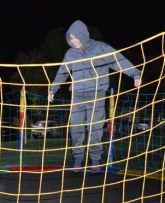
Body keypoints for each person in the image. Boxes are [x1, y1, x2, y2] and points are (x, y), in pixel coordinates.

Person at [48, 20, 141, 174]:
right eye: (71, 38)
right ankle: (78, 158)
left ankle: (95, 159)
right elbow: (63, 72)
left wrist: (135, 74)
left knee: (95, 127)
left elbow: (118, 60)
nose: (73, 41)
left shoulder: (101, 48)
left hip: (96, 92)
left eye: (76, 37)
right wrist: (53, 89)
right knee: (76, 127)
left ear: (83, 35)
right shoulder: (71, 53)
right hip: (77, 94)